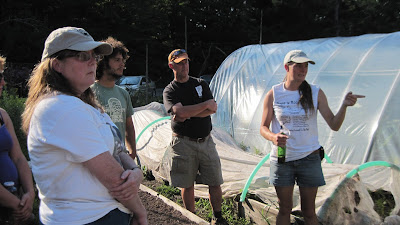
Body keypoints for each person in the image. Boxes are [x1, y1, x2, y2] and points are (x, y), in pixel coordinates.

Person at [21, 27, 147, 225]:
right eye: (82, 56)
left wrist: (136, 172)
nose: (92, 61)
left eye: (93, 56)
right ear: (57, 65)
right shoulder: (61, 107)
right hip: (88, 219)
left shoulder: (85, 105)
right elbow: (115, 179)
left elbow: (118, 148)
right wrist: (141, 212)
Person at [260, 50, 365, 225]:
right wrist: (273, 137)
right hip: (282, 158)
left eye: (306, 66)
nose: (303, 70)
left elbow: (334, 124)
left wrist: (344, 106)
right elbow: (263, 127)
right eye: (298, 66)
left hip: (309, 158)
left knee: (309, 211)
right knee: (284, 208)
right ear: (287, 67)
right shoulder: (274, 94)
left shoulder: (315, 92)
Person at [162, 49, 228, 225]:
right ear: (171, 66)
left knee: (215, 181)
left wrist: (187, 112)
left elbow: (212, 108)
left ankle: (218, 216)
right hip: (183, 142)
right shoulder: (170, 90)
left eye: (186, 62)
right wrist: (202, 107)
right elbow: (178, 111)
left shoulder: (200, 84)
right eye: (180, 63)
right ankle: (192, 218)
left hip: (206, 140)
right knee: (187, 183)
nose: (184, 66)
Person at [0, 56, 35, 224]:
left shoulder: (2, 115)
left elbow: (19, 157)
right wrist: (18, 205)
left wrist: (30, 192)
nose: (3, 83)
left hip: (16, 200)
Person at [91, 37, 137, 160]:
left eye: (123, 60)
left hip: (120, 155)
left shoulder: (123, 93)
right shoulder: (88, 92)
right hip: (98, 157)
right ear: (103, 62)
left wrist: (132, 150)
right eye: (117, 60)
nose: (122, 64)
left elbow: (129, 126)